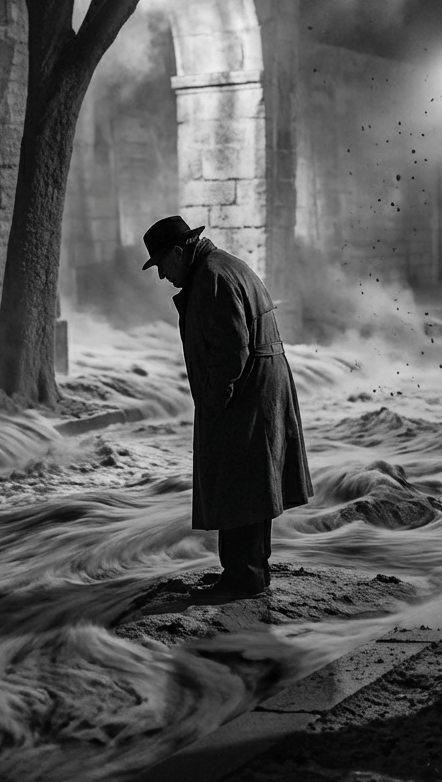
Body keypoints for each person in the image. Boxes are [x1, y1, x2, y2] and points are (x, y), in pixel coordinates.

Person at [142, 215, 313, 597]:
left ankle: (242, 576)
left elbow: (231, 350)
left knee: (236, 482)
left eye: (162, 264)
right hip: (261, 386)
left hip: (246, 392)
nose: (162, 276)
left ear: (179, 251)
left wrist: (215, 403)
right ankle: (253, 569)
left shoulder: (211, 278)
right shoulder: (224, 266)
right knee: (251, 483)